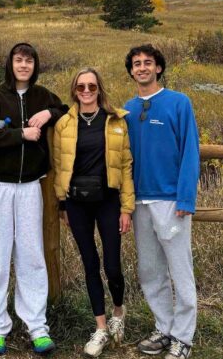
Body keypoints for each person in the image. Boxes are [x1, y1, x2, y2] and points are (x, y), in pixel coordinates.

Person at [0, 42, 67, 356]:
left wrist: (48, 112)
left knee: (31, 255)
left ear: (35, 65)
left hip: (30, 186)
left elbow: (66, 111)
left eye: (29, 61)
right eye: (19, 60)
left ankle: (37, 326)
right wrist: (20, 135)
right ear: (10, 64)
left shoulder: (43, 95)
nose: (24, 65)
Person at [123, 44, 199, 359]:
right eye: (136, 63)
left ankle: (183, 337)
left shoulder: (179, 103)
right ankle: (164, 328)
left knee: (180, 270)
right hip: (139, 202)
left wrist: (185, 196)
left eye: (147, 63)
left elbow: (191, 152)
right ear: (131, 70)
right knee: (150, 271)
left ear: (158, 68)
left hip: (170, 200)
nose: (142, 68)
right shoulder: (127, 109)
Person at [53, 67, 135, 357]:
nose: (86, 92)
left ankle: (118, 313)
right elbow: (60, 166)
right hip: (76, 203)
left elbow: (126, 166)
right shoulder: (64, 124)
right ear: (74, 91)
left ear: (99, 88)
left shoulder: (116, 120)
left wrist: (127, 208)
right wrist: (62, 204)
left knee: (112, 264)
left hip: (109, 202)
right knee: (90, 262)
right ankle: (100, 327)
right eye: (80, 87)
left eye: (91, 86)